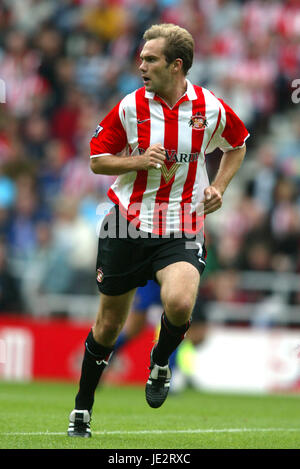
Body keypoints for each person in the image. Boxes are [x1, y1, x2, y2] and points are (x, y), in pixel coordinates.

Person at [68, 23, 249, 438]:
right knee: (109, 325)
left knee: (181, 302)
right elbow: (98, 159)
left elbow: (237, 143)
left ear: (176, 65)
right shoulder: (131, 105)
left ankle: (161, 363)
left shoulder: (209, 107)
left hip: (182, 223)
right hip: (126, 223)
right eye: (142, 57)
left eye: (150, 58)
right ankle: (82, 407)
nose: (141, 64)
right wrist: (137, 161)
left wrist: (219, 186)